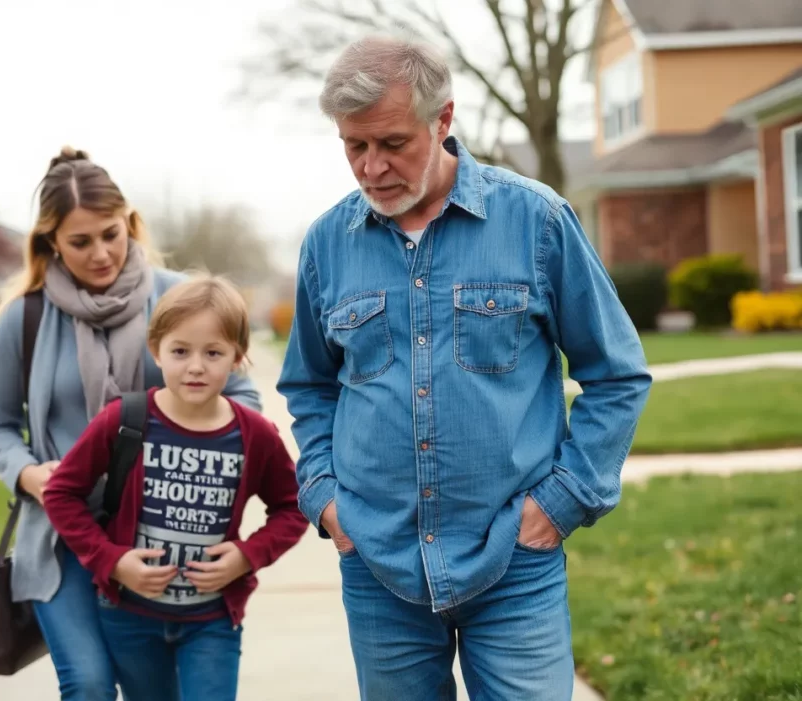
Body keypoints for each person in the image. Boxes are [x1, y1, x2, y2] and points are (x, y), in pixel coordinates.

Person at [276, 35, 652, 701]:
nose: (370, 166)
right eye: (353, 146)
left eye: (391, 143)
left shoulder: (537, 220)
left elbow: (616, 374)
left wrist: (561, 502)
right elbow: (308, 385)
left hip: (514, 559)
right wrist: (326, 499)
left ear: (443, 119)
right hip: (378, 561)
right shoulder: (327, 244)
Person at [0, 148, 262, 701]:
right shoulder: (25, 317)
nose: (101, 253)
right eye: (80, 242)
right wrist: (33, 477)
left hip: (164, 531)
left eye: (110, 233)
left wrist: (204, 449)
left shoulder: (179, 296)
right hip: (64, 536)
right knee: (86, 684)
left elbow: (242, 394)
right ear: (50, 243)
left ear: (129, 223)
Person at [42, 275, 308, 701]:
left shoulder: (254, 434)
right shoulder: (124, 420)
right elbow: (60, 493)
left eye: (214, 352)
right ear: (156, 350)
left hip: (212, 620)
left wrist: (247, 555)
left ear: (237, 357)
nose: (196, 366)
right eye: (180, 351)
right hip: (129, 616)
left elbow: (294, 506)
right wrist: (111, 560)